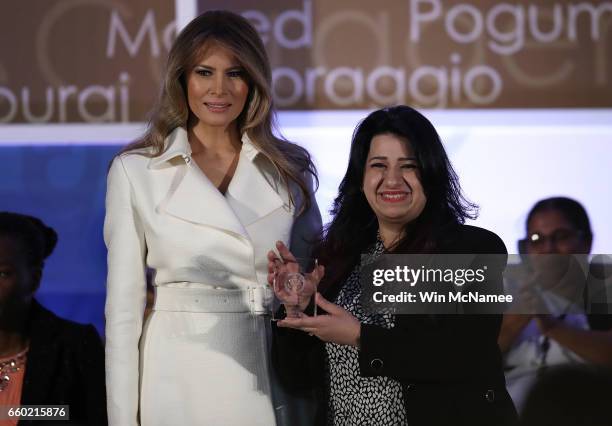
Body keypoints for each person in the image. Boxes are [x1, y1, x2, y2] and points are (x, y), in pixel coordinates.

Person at [103, 10, 321, 426]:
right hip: (175, 372)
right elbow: (123, 312)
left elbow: (307, 287)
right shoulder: (136, 170)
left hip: (268, 369)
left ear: (253, 81)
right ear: (182, 79)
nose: (219, 89)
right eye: (205, 72)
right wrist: (121, 418)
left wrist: (296, 293)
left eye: (235, 73)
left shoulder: (290, 169)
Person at [269, 106, 518, 426]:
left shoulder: (473, 249)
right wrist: (298, 309)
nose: (392, 180)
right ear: (361, 179)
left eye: (408, 166)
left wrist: (360, 336)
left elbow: (463, 355)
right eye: (378, 165)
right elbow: (298, 379)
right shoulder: (338, 259)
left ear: (430, 173)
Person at [498, 197, 612, 413]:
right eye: (537, 239)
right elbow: (470, 364)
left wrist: (552, 327)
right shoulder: (507, 293)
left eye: (561, 237)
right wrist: (521, 314)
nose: (548, 248)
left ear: (586, 241)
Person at [0, 212, 106, 425]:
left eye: (2, 274)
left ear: (34, 280)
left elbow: (79, 415)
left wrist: (8, 414)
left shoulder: (74, 347)